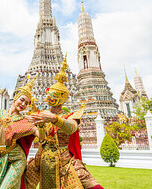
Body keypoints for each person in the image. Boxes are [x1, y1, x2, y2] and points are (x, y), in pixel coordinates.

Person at [25, 54, 103, 189]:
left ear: (62, 98)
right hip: (41, 159)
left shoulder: (69, 115)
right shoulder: (43, 114)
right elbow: (41, 137)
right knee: (20, 180)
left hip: (63, 162)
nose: (48, 98)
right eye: (48, 95)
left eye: (52, 96)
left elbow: (72, 128)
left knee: (89, 184)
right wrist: (36, 124)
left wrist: (54, 119)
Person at [0, 75, 39, 189]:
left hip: (17, 158)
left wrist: (41, 124)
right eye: (21, 100)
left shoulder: (24, 121)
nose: (23, 104)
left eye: (26, 103)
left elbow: (39, 134)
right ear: (15, 98)